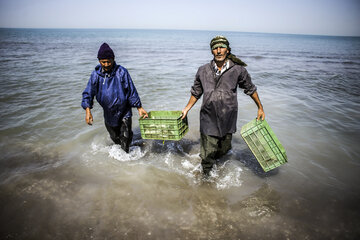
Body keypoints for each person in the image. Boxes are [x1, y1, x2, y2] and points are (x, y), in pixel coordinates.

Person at [182, 36, 265, 175]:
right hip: (208, 117)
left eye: (221, 47)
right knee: (207, 156)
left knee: (224, 150)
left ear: (228, 50)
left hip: (228, 117)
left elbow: (250, 89)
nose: (218, 51)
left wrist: (260, 108)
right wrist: (186, 109)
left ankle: (220, 174)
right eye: (215, 48)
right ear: (211, 51)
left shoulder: (238, 70)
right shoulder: (202, 70)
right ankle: (206, 182)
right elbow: (196, 92)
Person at [81, 43, 148, 153]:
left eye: (109, 61)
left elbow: (131, 90)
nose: (106, 64)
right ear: (99, 61)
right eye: (103, 62)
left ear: (113, 59)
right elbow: (88, 93)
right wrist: (88, 111)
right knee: (116, 139)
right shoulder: (95, 75)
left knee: (126, 138)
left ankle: (127, 161)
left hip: (124, 112)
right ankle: (121, 157)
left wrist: (139, 107)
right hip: (109, 114)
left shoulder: (121, 72)